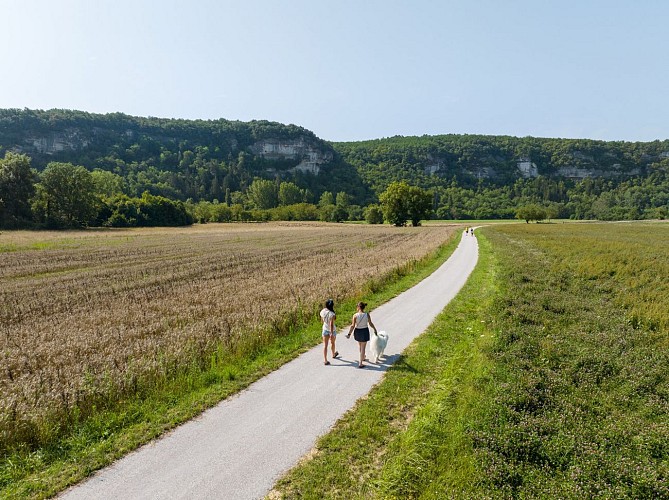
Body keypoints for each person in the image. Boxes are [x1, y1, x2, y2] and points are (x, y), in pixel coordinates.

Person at [346, 301, 378, 368]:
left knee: (360, 346)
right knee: (363, 347)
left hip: (357, 331)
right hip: (364, 331)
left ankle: (363, 357)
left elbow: (352, 326)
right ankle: (360, 362)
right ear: (363, 307)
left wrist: (349, 334)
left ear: (358, 307)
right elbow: (370, 323)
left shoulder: (355, 315)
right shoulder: (367, 314)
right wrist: (375, 329)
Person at [320, 299, 339, 365]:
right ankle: (333, 354)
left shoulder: (322, 311)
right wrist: (331, 333)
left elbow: (322, 320)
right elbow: (331, 324)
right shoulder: (332, 314)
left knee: (325, 345)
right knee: (333, 343)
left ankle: (325, 360)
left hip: (325, 329)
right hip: (332, 331)